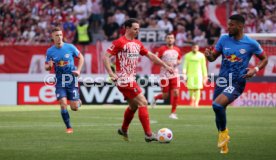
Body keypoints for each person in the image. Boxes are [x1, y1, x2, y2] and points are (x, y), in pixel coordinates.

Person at [204, 14, 268, 154]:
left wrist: (255, 69)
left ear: (240, 26)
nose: (228, 27)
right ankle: (224, 142)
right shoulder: (223, 39)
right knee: (218, 110)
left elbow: (264, 59)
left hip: (237, 81)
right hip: (222, 80)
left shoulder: (251, 43)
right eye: (228, 24)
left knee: (217, 105)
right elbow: (213, 57)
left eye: (232, 25)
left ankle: (223, 134)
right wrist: (209, 55)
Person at [103, 18, 174, 142]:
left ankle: (123, 129)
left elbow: (151, 56)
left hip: (130, 78)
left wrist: (166, 66)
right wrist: (111, 73)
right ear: (127, 28)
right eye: (135, 29)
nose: (137, 31)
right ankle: (148, 134)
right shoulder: (120, 42)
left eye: (138, 29)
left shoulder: (137, 44)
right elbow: (106, 56)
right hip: (124, 79)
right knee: (143, 102)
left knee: (133, 107)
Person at [45, 26, 84, 134]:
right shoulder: (50, 51)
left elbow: (81, 57)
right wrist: (49, 66)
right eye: (57, 35)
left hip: (71, 80)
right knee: (63, 103)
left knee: (74, 108)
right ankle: (69, 127)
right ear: (52, 37)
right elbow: (46, 66)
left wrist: (79, 70)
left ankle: (78, 102)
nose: (59, 37)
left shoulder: (70, 47)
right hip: (59, 81)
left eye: (60, 35)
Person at [150, 33, 182, 119]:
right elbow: (154, 61)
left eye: (171, 38)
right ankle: (156, 98)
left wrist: (177, 63)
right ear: (165, 40)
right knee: (165, 96)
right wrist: (165, 63)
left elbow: (179, 60)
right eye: (168, 38)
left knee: (176, 92)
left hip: (174, 74)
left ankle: (173, 113)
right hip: (164, 75)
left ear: (174, 40)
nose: (170, 39)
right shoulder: (161, 49)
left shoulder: (177, 50)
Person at [183, 42, 208, 108]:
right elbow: (185, 65)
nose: (195, 48)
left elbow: (203, 66)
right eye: (194, 47)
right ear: (192, 48)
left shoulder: (201, 56)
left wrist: (205, 75)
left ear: (198, 48)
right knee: (191, 88)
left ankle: (196, 103)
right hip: (190, 74)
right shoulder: (187, 55)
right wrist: (184, 73)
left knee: (198, 88)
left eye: (196, 47)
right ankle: (192, 100)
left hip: (199, 75)